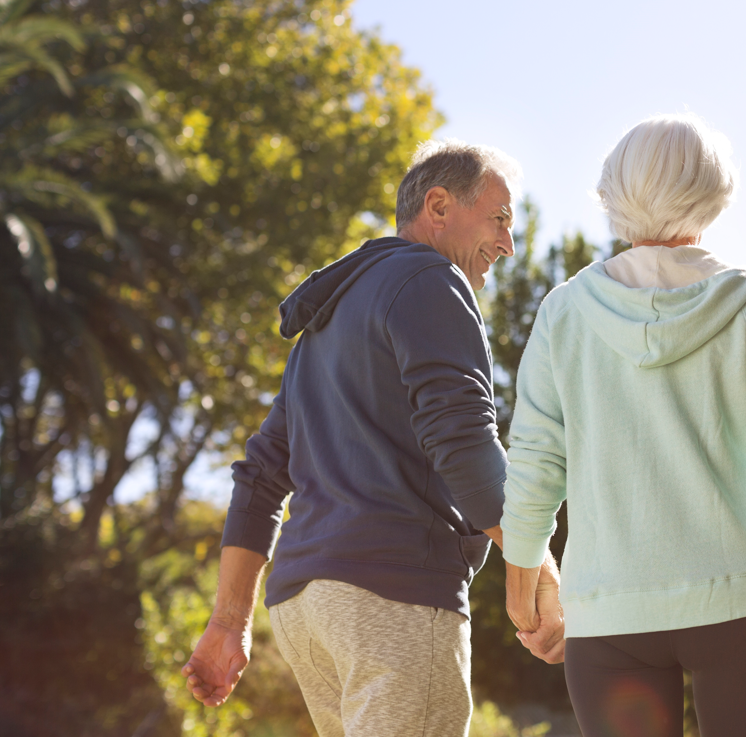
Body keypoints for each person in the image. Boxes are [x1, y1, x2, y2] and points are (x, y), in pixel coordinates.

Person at [498, 114, 746, 737]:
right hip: (745, 606)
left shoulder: (565, 312)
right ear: (713, 191)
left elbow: (534, 462)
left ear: (614, 192)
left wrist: (524, 597)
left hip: (611, 617)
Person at [181, 140, 563, 736]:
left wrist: (230, 621)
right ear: (439, 207)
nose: (507, 243)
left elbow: (259, 477)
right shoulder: (434, 279)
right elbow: (461, 439)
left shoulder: (326, 322)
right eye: (500, 218)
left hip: (305, 609)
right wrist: (537, 567)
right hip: (393, 596)